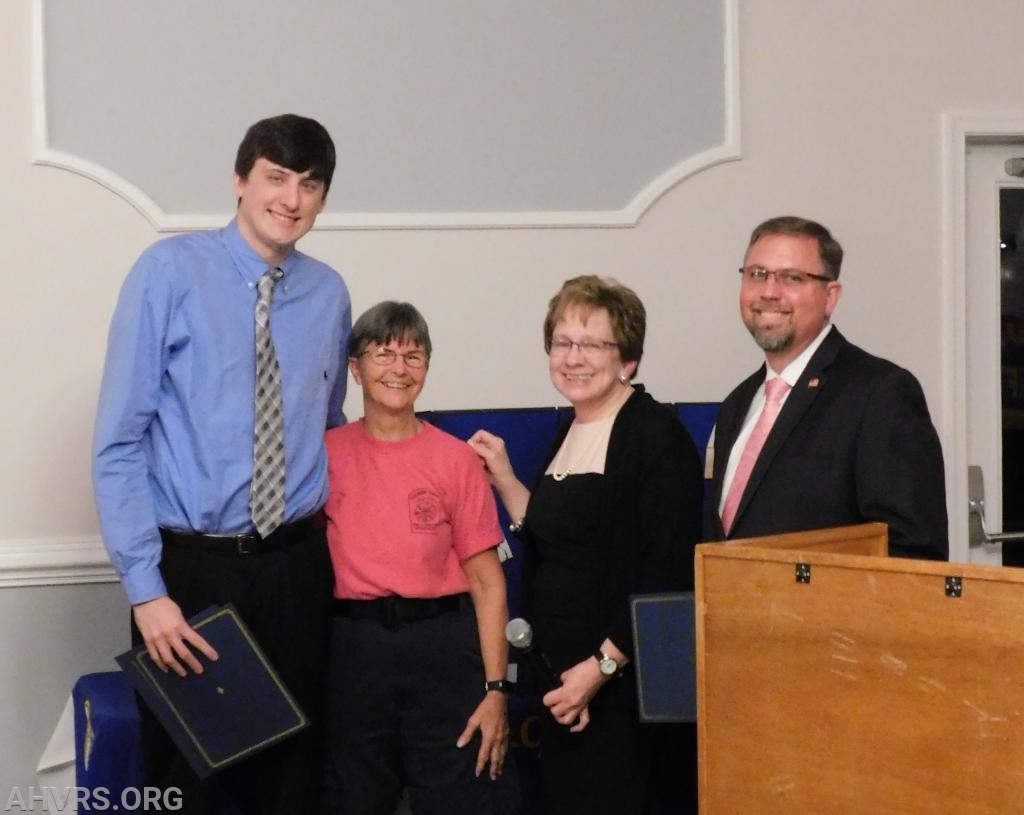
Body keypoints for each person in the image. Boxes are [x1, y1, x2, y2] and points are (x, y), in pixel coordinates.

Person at [92, 114, 350, 813]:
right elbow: (119, 443)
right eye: (275, 177)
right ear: (240, 180)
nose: (291, 199)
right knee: (188, 782)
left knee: (294, 781)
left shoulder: (329, 295)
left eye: (310, 184)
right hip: (193, 572)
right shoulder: (168, 272)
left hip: (298, 567)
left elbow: (328, 430)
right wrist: (147, 593)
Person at [468, 276, 704, 815]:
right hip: (567, 688)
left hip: (621, 696)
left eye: (592, 344)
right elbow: (561, 535)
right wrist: (504, 477)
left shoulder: (655, 436)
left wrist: (601, 667)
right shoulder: (573, 428)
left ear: (629, 360)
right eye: (562, 342)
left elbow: (668, 574)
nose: (573, 358)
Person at [323, 301, 516, 815]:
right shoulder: (322, 455)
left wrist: (496, 688)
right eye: (383, 354)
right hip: (354, 650)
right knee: (353, 797)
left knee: (461, 793)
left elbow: (488, 583)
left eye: (414, 356)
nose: (399, 369)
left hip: (444, 652)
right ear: (355, 368)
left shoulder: (455, 458)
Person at [706, 215, 948, 559]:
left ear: (830, 296)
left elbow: (911, 552)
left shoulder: (881, 394)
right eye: (757, 274)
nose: (769, 292)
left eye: (792, 278)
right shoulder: (738, 404)